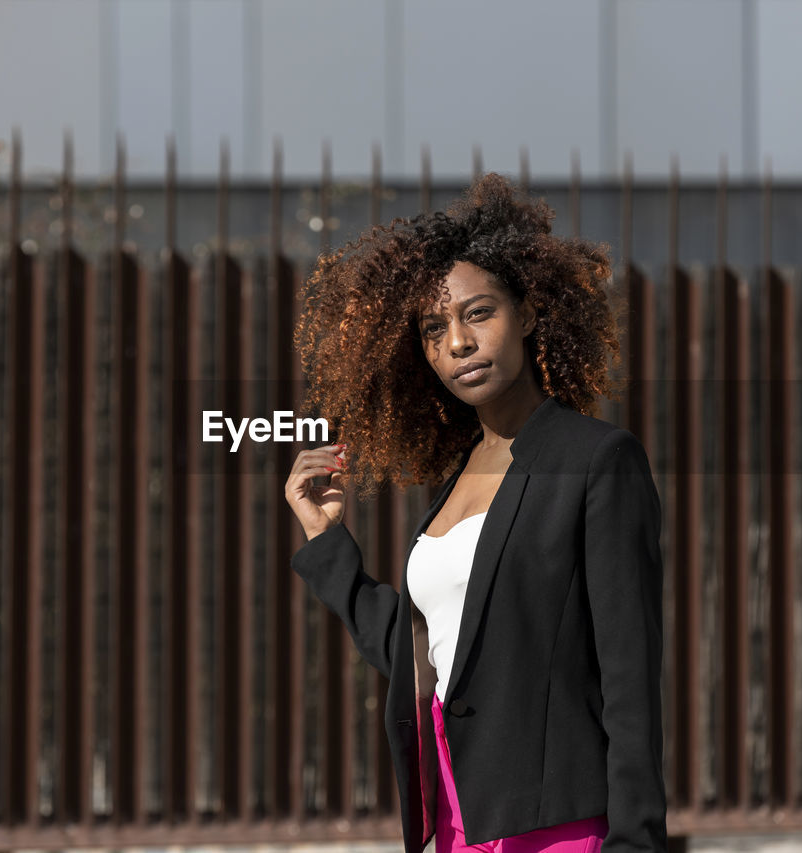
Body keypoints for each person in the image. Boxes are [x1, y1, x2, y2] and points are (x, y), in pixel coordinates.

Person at [284, 173, 667, 853]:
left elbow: (629, 679)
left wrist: (635, 841)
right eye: (434, 328)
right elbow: (430, 653)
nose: (457, 341)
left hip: (558, 830)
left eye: (478, 313)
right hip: (459, 825)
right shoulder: (457, 478)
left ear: (528, 312)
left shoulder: (595, 459)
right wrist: (328, 547)